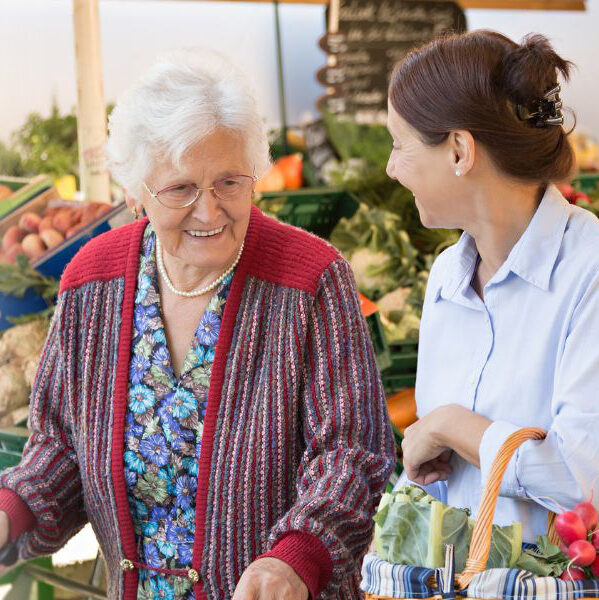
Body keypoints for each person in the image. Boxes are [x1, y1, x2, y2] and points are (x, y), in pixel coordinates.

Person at [0, 49, 395, 600]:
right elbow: (63, 447)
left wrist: (296, 558)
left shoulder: (311, 280)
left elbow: (352, 452)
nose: (209, 211)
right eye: (181, 189)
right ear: (137, 192)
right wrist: (10, 510)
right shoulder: (93, 281)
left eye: (229, 183)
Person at [388, 31, 599, 591]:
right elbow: (450, 479)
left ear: (458, 151)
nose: (392, 169)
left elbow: (578, 477)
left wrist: (447, 424)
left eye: (399, 145)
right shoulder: (448, 277)